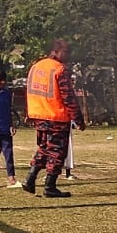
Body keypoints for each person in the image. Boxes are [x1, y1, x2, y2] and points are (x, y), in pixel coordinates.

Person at [22, 39, 85, 198]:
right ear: (55, 51)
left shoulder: (36, 67)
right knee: (57, 152)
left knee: (44, 148)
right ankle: (50, 186)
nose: (68, 56)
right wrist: (78, 118)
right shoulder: (59, 69)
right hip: (56, 116)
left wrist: (29, 113)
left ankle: (30, 178)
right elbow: (68, 96)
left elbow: (29, 91)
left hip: (39, 115)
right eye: (66, 52)